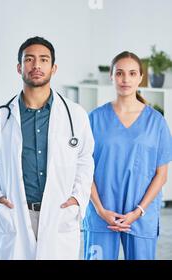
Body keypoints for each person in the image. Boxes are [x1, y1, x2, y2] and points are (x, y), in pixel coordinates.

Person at [0, 36, 95, 259]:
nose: (36, 66)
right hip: (15, 213)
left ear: (53, 68)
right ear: (19, 67)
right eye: (29, 59)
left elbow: (84, 160)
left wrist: (77, 199)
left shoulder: (75, 115)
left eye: (43, 60)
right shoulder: (1, 117)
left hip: (59, 212)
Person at [83, 51, 172, 260]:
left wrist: (138, 211)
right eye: (120, 73)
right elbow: (84, 169)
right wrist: (99, 209)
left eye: (132, 73)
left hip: (141, 215)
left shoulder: (156, 122)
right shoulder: (94, 119)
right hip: (101, 214)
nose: (125, 79)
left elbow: (161, 174)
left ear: (140, 77)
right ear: (111, 76)